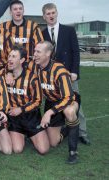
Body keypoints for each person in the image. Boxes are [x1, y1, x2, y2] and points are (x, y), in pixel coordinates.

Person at [42, 3, 90, 145]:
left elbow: (76, 52)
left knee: (74, 104)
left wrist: (74, 71)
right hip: (50, 77)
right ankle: (56, 128)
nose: (51, 16)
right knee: (52, 102)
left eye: (53, 12)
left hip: (68, 75)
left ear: (57, 13)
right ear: (44, 16)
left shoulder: (68, 30)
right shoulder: (42, 33)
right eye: (48, 14)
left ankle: (82, 132)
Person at [33, 41, 80, 164]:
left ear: (48, 53)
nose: (35, 54)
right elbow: (17, 64)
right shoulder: (35, 66)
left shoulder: (59, 70)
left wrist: (49, 113)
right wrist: (10, 74)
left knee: (69, 112)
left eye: (38, 52)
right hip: (52, 102)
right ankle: (67, 129)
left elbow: (68, 97)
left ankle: (73, 152)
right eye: (34, 51)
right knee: (53, 143)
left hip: (69, 100)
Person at [5, 45, 49, 154]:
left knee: (43, 150)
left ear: (22, 60)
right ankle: (22, 135)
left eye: (14, 57)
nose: (10, 59)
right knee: (17, 149)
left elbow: (38, 101)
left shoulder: (32, 77)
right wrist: (8, 73)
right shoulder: (4, 75)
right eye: (9, 56)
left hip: (31, 117)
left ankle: (35, 133)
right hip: (14, 119)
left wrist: (21, 109)